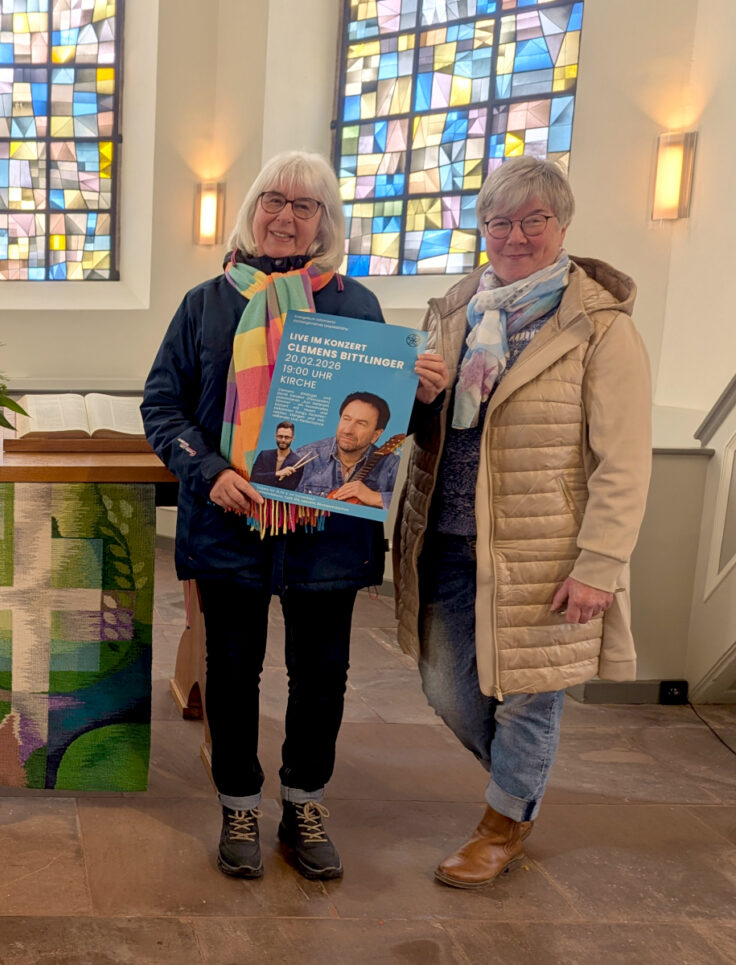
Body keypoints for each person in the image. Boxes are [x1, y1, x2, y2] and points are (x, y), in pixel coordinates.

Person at [143, 151, 439, 881]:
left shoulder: (356, 307)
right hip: (231, 522)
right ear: (252, 209)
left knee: (321, 674)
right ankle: (240, 802)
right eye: (274, 199)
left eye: (305, 206)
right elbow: (162, 406)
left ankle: (304, 801)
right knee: (232, 671)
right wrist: (207, 472)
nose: (286, 215)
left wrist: (423, 392)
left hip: (325, 532)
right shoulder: (205, 303)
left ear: (324, 222)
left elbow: (386, 425)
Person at [393, 156, 651, 888]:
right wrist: (416, 394)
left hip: (542, 547)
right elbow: (417, 426)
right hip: (442, 533)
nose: (515, 235)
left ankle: (502, 820)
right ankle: (521, 783)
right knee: (446, 682)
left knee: (532, 691)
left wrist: (599, 563)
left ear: (561, 226)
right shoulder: (453, 310)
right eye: (499, 221)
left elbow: (624, 458)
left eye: (533, 220)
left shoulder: (596, 325)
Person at [291, 391, 401, 508]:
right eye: (346, 419)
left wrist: (376, 498)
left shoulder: (391, 465)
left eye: (361, 423)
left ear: (376, 435)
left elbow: (412, 505)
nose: (348, 430)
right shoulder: (305, 456)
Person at [248, 421, 303, 489]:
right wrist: (277, 473)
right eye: (280, 436)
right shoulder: (264, 455)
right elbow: (254, 477)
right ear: (275, 436)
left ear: (292, 438)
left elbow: (291, 488)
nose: (283, 440)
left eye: (287, 437)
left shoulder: (297, 462)